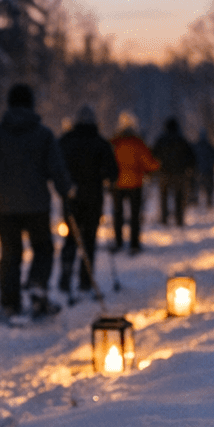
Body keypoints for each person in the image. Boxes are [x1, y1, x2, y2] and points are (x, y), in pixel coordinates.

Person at [0, 83, 71, 321]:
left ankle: (9, 303)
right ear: (31, 104)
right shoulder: (43, 134)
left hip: (3, 205)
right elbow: (56, 168)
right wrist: (65, 190)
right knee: (42, 248)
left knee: (10, 253)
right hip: (36, 204)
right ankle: (38, 286)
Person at [57, 104, 118, 298]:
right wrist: (104, 177)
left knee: (71, 237)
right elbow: (113, 173)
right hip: (93, 198)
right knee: (89, 239)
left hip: (71, 197)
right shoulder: (100, 143)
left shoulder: (65, 141)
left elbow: (56, 165)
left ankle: (65, 277)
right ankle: (86, 280)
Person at [110, 112, 159, 254]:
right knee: (135, 215)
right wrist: (157, 165)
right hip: (135, 184)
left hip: (117, 184)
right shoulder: (138, 143)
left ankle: (118, 242)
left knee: (118, 214)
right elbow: (149, 163)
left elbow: (109, 162)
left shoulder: (115, 143)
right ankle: (134, 244)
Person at [152, 116, 196, 227]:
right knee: (180, 197)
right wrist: (189, 169)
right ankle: (179, 219)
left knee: (164, 197)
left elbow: (154, 155)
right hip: (180, 174)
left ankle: (164, 219)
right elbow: (191, 156)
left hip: (164, 173)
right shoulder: (182, 140)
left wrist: (155, 169)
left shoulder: (161, 140)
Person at [194, 130, 214, 206]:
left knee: (199, 186)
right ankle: (208, 200)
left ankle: (198, 200)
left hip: (201, 170)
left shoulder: (197, 146)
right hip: (207, 170)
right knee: (208, 186)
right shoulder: (209, 146)